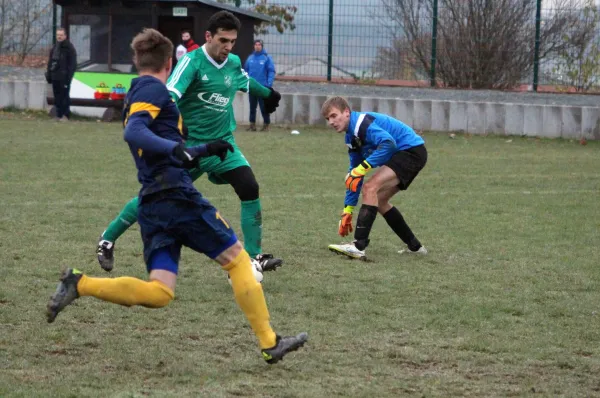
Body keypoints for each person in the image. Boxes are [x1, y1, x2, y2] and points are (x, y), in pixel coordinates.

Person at [46, 28, 307, 364]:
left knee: (160, 293)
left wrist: (200, 150)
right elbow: (134, 132)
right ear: (170, 62)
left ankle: (79, 284)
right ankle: (269, 342)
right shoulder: (152, 88)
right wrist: (180, 151)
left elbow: (158, 143)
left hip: (153, 202)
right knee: (240, 261)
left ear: (138, 59)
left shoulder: (139, 90)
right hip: (176, 196)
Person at [96, 11, 282, 274]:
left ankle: (253, 258)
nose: (228, 47)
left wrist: (268, 94)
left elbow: (243, 80)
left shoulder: (232, 62)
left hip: (222, 145)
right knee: (153, 197)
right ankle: (107, 238)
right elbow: (170, 93)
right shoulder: (192, 63)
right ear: (208, 36)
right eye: (223, 40)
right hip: (189, 148)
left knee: (249, 187)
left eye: (232, 41)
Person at [323, 97, 428, 260]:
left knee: (370, 187)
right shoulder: (351, 137)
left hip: (411, 152)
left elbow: (389, 144)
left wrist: (362, 167)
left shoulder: (361, 124)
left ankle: (358, 246)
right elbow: (354, 175)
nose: (331, 122)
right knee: (379, 200)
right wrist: (347, 211)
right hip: (407, 154)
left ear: (346, 112)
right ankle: (415, 247)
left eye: (334, 115)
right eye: (328, 119)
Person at [45, 28, 77, 122]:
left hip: (64, 77)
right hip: (55, 76)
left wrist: (69, 77)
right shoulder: (55, 47)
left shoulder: (69, 48)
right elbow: (50, 62)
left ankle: (65, 115)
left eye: (61, 35)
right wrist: (49, 74)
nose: (59, 36)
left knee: (64, 96)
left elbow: (72, 64)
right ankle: (58, 115)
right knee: (57, 97)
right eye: (58, 35)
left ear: (65, 36)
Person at [244, 39, 275, 131]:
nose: (257, 46)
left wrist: (268, 84)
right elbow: (245, 71)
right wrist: (246, 83)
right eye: (256, 44)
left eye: (259, 45)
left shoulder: (267, 58)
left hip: (262, 87)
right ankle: (252, 125)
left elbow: (271, 71)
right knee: (252, 107)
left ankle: (266, 125)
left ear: (262, 46)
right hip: (252, 87)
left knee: (264, 107)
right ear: (254, 46)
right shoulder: (250, 58)